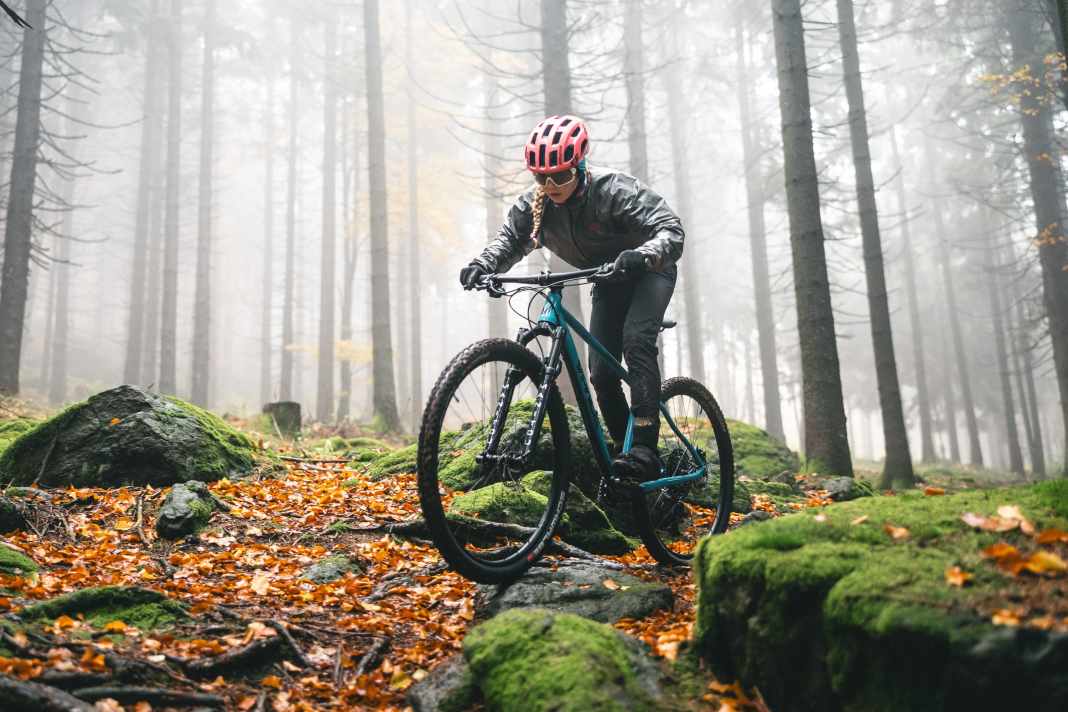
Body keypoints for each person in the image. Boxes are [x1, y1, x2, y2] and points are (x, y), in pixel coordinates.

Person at [458, 115, 685, 484]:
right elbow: (509, 241)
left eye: (561, 176)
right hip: (609, 277)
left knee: (635, 341)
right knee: (600, 373)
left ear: (579, 167)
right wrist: (482, 265)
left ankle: (644, 448)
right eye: (541, 178)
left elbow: (671, 230)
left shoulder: (614, 190)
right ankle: (623, 455)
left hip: (650, 270)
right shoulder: (535, 205)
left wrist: (643, 255)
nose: (551, 185)